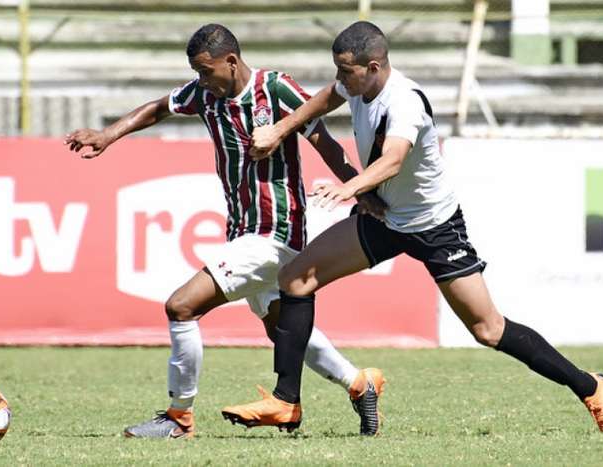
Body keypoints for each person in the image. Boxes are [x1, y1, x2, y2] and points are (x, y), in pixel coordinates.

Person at [221, 21, 603, 434]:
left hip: (434, 227)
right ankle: (286, 401)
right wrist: (280, 128)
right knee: (295, 278)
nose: (340, 80)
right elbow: (325, 99)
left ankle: (592, 387)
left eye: (346, 71)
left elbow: (393, 160)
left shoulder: (405, 103)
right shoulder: (356, 84)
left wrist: (350, 188)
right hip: (384, 217)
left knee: (488, 329)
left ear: (374, 67)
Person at [64, 23, 387, 439]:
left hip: (276, 232)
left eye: (206, 71)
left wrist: (357, 189)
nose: (201, 81)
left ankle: (178, 417)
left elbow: (322, 138)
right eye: (197, 73)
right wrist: (108, 134)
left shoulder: (275, 89)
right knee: (281, 328)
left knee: (181, 306)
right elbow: (160, 107)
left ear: (231, 62)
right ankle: (360, 384)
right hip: (242, 232)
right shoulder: (205, 93)